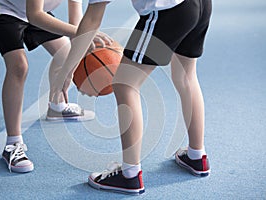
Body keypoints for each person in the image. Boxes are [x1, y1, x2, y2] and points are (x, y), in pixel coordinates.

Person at [52, 0, 212, 195]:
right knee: (186, 76)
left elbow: (93, 18)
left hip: (167, 11)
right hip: (199, 5)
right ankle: (196, 156)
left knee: (125, 85)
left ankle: (130, 175)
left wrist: (67, 71)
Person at [0, 0, 111, 173]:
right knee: (19, 66)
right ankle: (13, 143)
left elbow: (76, 22)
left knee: (65, 52)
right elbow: (36, 16)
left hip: (33, 9)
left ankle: (57, 107)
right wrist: (83, 34)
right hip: (2, 7)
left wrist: (80, 45)